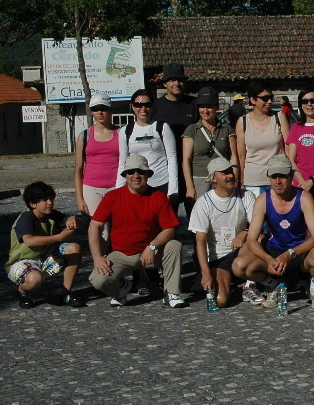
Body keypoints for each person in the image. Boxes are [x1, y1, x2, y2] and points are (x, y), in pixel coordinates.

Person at [232, 154, 314, 309]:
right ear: (268, 177)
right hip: (275, 250)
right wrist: (268, 259)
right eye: (274, 177)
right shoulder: (262, 200)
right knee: (239, 265)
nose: (278, 181)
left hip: (299, 252)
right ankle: (272, 286)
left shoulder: (303, 197)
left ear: (292, 176)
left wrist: (290, 254)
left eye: (282, 176)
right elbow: (252, 239)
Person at [90, 154, 187, 308]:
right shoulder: (112, 197)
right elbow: (94, 226)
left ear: (148, 175)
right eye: (131, 172)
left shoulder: (159, 197)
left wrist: (152, 246)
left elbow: (169, 229)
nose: (136, 175)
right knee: (98, 280)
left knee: (174, 246)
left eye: (141, 172)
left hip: (150, 253)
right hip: (120, 253)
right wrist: (97, 257)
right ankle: (121, 289)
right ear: (125, 175)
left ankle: (171, 293)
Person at [188, 156, 256, 308]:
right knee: (221, 300)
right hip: (218, 256)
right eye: (224, 173)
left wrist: (244, 232)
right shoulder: (203, 203)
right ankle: (225, 280)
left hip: (242, 250)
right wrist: (205, 273)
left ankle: (252, 284)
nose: (230, 175)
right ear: (213, 179)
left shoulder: (246, 196)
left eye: (230, 170)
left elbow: (257, 225)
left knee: (260, 238)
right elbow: (200, 241)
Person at [5, 181, 85, 308]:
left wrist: (73, 219)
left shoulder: (52, 214)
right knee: (34, 280)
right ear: (32, 204)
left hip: (45, 259)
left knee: (73, 248)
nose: (50, 202)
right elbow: (29, 241)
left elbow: (81, 224)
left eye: (51, 199)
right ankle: (22, 291)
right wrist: (58, 237)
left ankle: (66, 293)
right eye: (44, 200)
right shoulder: (26, 218)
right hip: (22, 262)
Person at [182, 86, 238, 213]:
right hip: (199, 179)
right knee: (200, 219)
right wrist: (190, 186)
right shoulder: (192, 129)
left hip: (222, 179)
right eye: (202, 106)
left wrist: (235, 179)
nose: (205, 111)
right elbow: (186, 159)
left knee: (222, 215)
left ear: (217, 107)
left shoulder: (226, 128)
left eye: (210, 106)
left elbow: (233, 156)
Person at [117, 89, 178, 203]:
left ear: (152, 106)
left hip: (162, 183)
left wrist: (173, 190)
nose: (143, 109)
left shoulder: (162, 127)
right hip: (137, 186)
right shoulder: (125, 131)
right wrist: (119, 190)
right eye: (138, 105)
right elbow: (122, 162)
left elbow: (172, 158)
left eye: (147, 105)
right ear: (133, 107)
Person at [153, 63, 198, 215]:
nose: (176, 84)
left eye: (179, 80)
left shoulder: (193, 104)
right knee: (166, 220)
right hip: (164, 170)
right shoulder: (156, 106)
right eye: (172, 80)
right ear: (165, 83)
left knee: (196, 219)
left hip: (191, 169)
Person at [235, 79, 290, 197]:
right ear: (253, 100)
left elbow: (289, 149)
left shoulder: (279, 118)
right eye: (264, 98)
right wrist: (240, 181)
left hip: (277, 180)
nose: (269, 101)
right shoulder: (242, 122)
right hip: (252, 182)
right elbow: (241, 155)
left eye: (271, 97)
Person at [285, 87, 314, 218]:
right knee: (299, 221)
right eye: (305, 101)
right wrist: (302, 181)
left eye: (313, 100)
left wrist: (312, 180)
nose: (309, 104)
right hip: (299, 183)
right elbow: (291, 159)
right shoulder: (296, 127)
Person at [74, 94, 121, 218]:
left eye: (104, 108)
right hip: (91, 188)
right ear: (91, 112)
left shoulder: (121, 134)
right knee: (100, 228)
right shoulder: (84, 136)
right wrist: (79, 198)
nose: (100, 112)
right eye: (95, 109)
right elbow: (78, 169)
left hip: (116, 186)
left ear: (111, 110)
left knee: (117, 225)